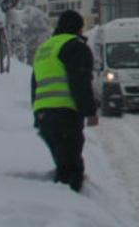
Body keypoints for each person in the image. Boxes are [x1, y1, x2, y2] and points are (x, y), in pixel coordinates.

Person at [31, 10, 98, 192]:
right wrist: (90, 111)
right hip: (64, 115)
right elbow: (80, 81)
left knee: (64, 165)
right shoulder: (74, 47)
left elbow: (34, 85)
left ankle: (64, 203)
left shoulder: (44, 49)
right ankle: (72, 210)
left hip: (44, 116)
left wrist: (37, 115)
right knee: (72, 170)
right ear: (78, 29)